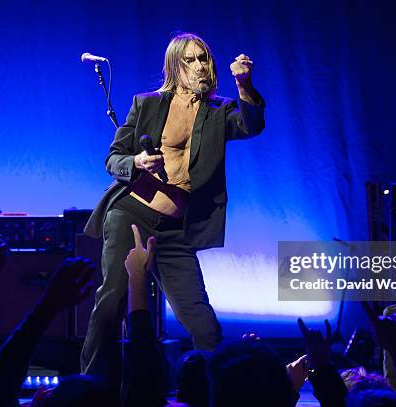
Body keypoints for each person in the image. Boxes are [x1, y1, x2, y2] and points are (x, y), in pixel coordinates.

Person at [80, 31, 266, 387]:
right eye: (191, 60)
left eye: (205, 59)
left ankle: (218, 392)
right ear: (175, 66)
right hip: (133, 215)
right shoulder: (147, 104)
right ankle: (89, 390)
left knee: (201, 319)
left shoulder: (220, 110)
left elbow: (252, 124)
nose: (200, 66)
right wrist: (135, 160)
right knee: (113, 301)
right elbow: (112, 159)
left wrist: (244, 84)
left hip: (176, 231)